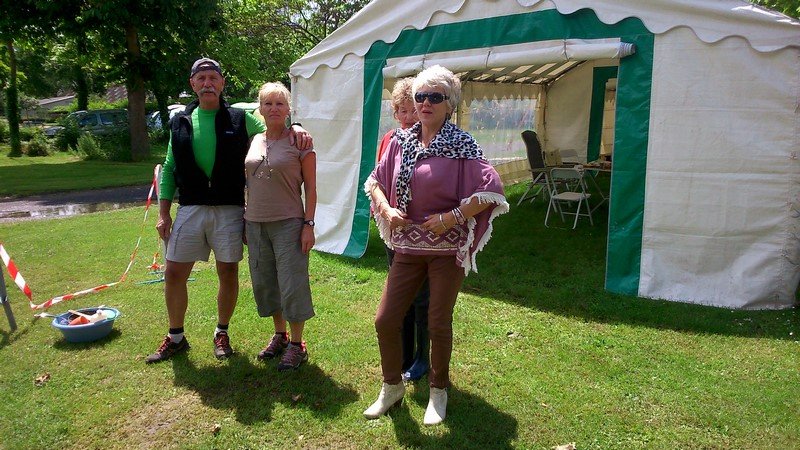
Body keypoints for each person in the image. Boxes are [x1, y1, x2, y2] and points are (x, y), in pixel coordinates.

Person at [363, 65, 508, 425]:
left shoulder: (463, 145)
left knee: (437, 321)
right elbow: (375, 181)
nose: (425, 103)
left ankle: (438, 391)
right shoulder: (399, 141)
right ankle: (392, 386)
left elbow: (492, 190)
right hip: (407, 249)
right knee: (386, 320)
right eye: (420, 96)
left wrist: (452, 218)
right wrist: (386, 208)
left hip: (447, 252)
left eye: (435, 97)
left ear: (449, 104)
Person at [145, 58, 312, 364]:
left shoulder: (240, 118)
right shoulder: (179, 121)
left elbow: (275, 124)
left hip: (230, 209)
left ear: (222, 84)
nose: (207, 83)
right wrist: (163, 212)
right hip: (191, 208)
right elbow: (168, 168)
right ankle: (175, 336)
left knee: (228, 271)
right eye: (201, 78)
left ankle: (222, 332)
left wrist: (296, 124)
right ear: (192, 84)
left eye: (213, 78)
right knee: (173, 272)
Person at [245, 82, 317, 371]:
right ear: (260, 109)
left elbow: (311, 188)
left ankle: (297, 345)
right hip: (255, 222)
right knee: (267, 282)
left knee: (292, 283)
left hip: (289, 222)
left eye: (279, 104)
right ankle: (280, 335)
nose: (273, 109)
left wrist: (308, 224)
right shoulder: (254, 140)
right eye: (267, 104)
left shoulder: (300, 141)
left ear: (289, 109)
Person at [377, 78, 430, 382]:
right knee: (402, 297)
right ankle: (406, 356)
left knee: (423, 297)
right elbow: (378, 180)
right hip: (394, 230)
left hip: (424, 233)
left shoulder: (432, 140)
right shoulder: (390, 139)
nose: (409, 117)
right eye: (402, 110)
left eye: (414, 110)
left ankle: (423, 358)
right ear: (395, 112)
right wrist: (385, 211)